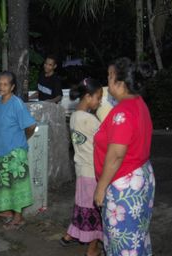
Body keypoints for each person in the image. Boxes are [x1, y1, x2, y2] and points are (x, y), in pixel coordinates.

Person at [93, 58, 155, 255]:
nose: (107, 80)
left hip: (124, 183)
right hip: (140, 176)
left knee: (123, 239)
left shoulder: (123, 112)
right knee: (136, 235)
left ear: (120, 83)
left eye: (110, 76)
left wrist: (101, 187)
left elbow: (116, 155)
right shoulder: (138, 103)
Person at [0, 71, 36, 230]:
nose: (2, 87)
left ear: (12, 87)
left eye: (5, 84)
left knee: (16, 185)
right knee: (3, 183)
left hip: (15, 153)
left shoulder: (17, 103)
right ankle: (6, 211)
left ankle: (18, 217)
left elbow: (31, 126)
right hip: (0, 151)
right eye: (0, 83)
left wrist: (21, 142)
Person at [60, 78, 103, 256]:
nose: (100, 102)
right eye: (98, 98)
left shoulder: (74, 116)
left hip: (81, 170)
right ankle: (92, 248)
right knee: (94, 210)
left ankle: (70, 234)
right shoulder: (91, 120)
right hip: (92, 171)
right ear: (87, 97)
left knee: (82, 205)